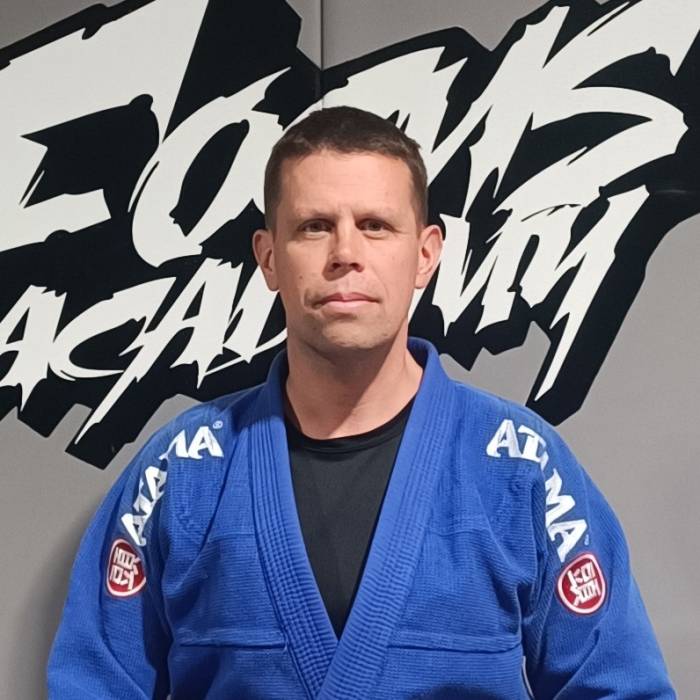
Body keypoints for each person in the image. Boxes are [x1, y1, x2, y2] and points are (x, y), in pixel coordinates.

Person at [47, 106, 675, 699]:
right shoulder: (183, 468)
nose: (345, 254)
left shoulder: (518, 464)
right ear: (268, 257)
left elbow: (619, 686)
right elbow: (94, 684)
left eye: (376, 226)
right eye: (314, 226)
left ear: (425, 254)